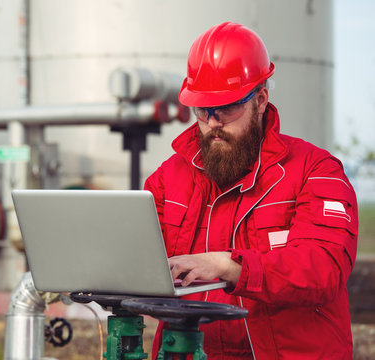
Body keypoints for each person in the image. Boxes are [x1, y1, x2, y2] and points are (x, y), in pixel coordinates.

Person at [144, 21, 357, 359]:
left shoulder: (316, 171)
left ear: (260, 99)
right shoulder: (167, 179)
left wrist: (231, 266)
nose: (214, 121)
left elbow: (323, 268)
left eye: (227, 107)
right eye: (203, 108)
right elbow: (137, 261)